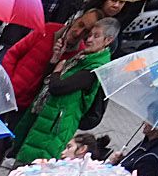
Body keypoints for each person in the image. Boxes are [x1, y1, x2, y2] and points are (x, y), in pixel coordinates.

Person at [14, 17, 115, 163]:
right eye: (90, 34)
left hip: (55, 127)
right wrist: (55, 59)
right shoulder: (81, 59)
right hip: (47, 120)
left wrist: (57, 71)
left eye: (96, 36)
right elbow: (47, 83)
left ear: (108, 40)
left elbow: (58, 87)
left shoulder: (95, 68)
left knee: (33, 168)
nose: (89, 39)